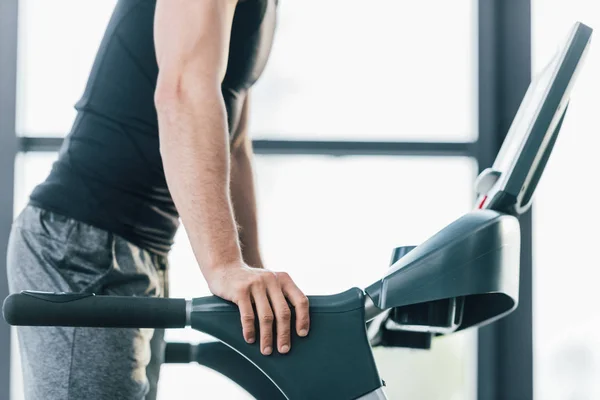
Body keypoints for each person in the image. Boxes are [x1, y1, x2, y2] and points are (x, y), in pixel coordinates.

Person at [6, 0, 310, 399]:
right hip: (79, 247)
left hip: (142, 251)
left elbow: (232, 142)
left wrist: (251, 279)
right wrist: (224, 266)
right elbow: (181, 91)